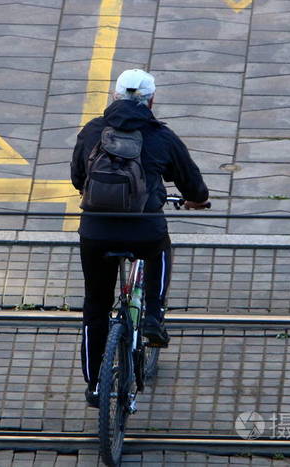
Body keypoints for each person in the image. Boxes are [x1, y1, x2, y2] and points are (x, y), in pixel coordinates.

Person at [71, 69, 210, 407]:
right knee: (160, 247)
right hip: (143, 229)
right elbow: (193, 184)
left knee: (95, 307)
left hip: (96, 232)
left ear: (115, 96)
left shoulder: (91, 131)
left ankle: (94, 385)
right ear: (152, 100)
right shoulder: (161, 137)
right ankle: (153, 314)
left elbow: (77, 178)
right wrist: (194, 200)